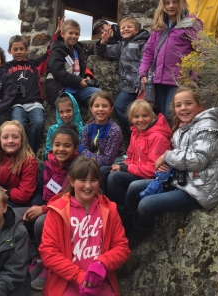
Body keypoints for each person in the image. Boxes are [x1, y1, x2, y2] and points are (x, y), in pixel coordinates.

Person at [123, 85, 218, 248]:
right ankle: (123, 228)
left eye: (188, 104)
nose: (183, 108)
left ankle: (136, 236)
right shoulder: (181, 130)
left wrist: (167, 156)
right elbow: (182, 160)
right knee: (134, 187)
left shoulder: (208, 125)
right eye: (178, 105)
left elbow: (199, 159)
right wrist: (167, 166)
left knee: (146, 204)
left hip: (202, 189)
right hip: (184, 181)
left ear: (199, 106)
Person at [39, 156, 130, 296]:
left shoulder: (110, 210)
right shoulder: (57, 211)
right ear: (71, 181)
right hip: (66, 282)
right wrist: (78, 276)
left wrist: (102, 263)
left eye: (93, 180)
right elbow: (48, 252)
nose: (88, 186)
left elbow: (122, 247)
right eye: (82, 180)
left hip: (101, 282)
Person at [20, 124, 80, 291]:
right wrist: (35, 206)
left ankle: (50, 264)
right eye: (57, 145)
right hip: (44, 206)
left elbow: (69, 198)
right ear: (52, 146)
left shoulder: (77, 168)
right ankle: (36, 256)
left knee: (41, 222)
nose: (61, 149)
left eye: (67, 146)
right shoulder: (48, 163)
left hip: (64, 212)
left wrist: (44, 209)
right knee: (14, 216)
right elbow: (40, 190)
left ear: (75, 148)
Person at [139, 0, 202, 124]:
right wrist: (143, 73)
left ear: (182, 3)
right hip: (158, 79)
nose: (171, 6)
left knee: (172, 114)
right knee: (160, 114)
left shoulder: (192, 23)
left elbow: (201, 52)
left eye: (175, 2)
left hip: (179, 79)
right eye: (167, 3)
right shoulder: (159, 26)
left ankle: (177, 143)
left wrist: (193, 76)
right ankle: (165, 144)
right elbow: (149, 51)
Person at [102, 100, 172, 212]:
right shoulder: (136, 133)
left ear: (152, 117)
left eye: (145, 116)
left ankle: (122, 213)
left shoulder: (158, 137)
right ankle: (104, 206)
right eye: (136, 116)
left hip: (151, 177)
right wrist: (122, 165)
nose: (140, 120)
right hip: (138, 171)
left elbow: (153, 169)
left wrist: (125, 168)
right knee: (105, 170)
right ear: (131, 119)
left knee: (114, 178)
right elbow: (130, 157)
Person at [95, 17, 150, 137]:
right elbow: (103, 52)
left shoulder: (143, 43)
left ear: (136, 30)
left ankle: (147, 136)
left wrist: (138, 82)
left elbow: (145, 63)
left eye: (129, 27)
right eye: (123, 27)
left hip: (141, 83)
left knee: (145, 110)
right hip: (127, 85)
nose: (125, 29)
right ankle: (134, 134)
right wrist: (103, 43)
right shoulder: (121, 45)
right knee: (120, 106)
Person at [46, 19, 100, 106]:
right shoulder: (57, 51)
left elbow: (77, 69)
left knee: (99, 96)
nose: (74, 36)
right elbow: (58, 72)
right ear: (62, 34)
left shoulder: (77, 50)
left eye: (76, 34)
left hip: (77, 88)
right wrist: (78, 81)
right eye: (70, 33)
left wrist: (85, 78)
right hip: (61, 90)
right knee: (69, 106)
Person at [80, 91, 124, 167]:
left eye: (104, 106)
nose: (100, 109)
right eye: (96, 106)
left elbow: (107, 161)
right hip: (92, 162)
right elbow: (85, 149)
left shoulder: (114, 130)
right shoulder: (88, 127)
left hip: (114, 164)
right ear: (91, 108)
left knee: (101, 170)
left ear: (111, 109)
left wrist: (84, 152)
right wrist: (85, 154)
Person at [44, 92, 84, 159]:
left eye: (68, 111)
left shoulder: (83, 130)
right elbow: (48, 151)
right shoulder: (53, 129)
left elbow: (85, 152)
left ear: (75, 110)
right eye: (61, 112)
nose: (65, 115)